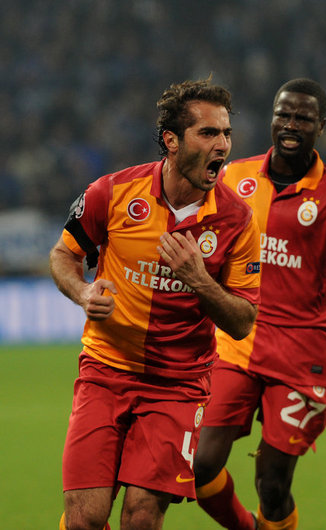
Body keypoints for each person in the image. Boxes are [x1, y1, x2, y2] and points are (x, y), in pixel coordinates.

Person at [50, 78, 262, 530]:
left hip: (177, 385)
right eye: (208, 133)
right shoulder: (112, 192)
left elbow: (243, 321)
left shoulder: (238, 220)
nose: (223, 145)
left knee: (141, 518)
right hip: (105, 370)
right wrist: (83, 292)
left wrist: (200, 281)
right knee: (84, 519)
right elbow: (63, 255)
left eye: (226, 133)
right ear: (171, 140)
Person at [193, 78, 326, 530]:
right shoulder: (233, 178)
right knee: (200, 464)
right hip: (237, 343)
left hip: (303, 356)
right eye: (284, 115)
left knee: (272, 486)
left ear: (321, 126)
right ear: (272, 118)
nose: (291, 125)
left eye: (303, 118)